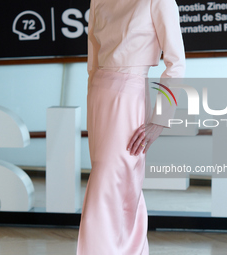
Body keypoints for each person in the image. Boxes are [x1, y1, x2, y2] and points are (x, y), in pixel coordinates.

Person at [76, 0, 186, 254]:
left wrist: (161, 117)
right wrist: (92, 99)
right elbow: (93, 61)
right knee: (120, 184)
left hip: (129, 97)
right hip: (99, 97)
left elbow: (176, 63)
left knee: (111, 183)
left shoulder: (159, 1)